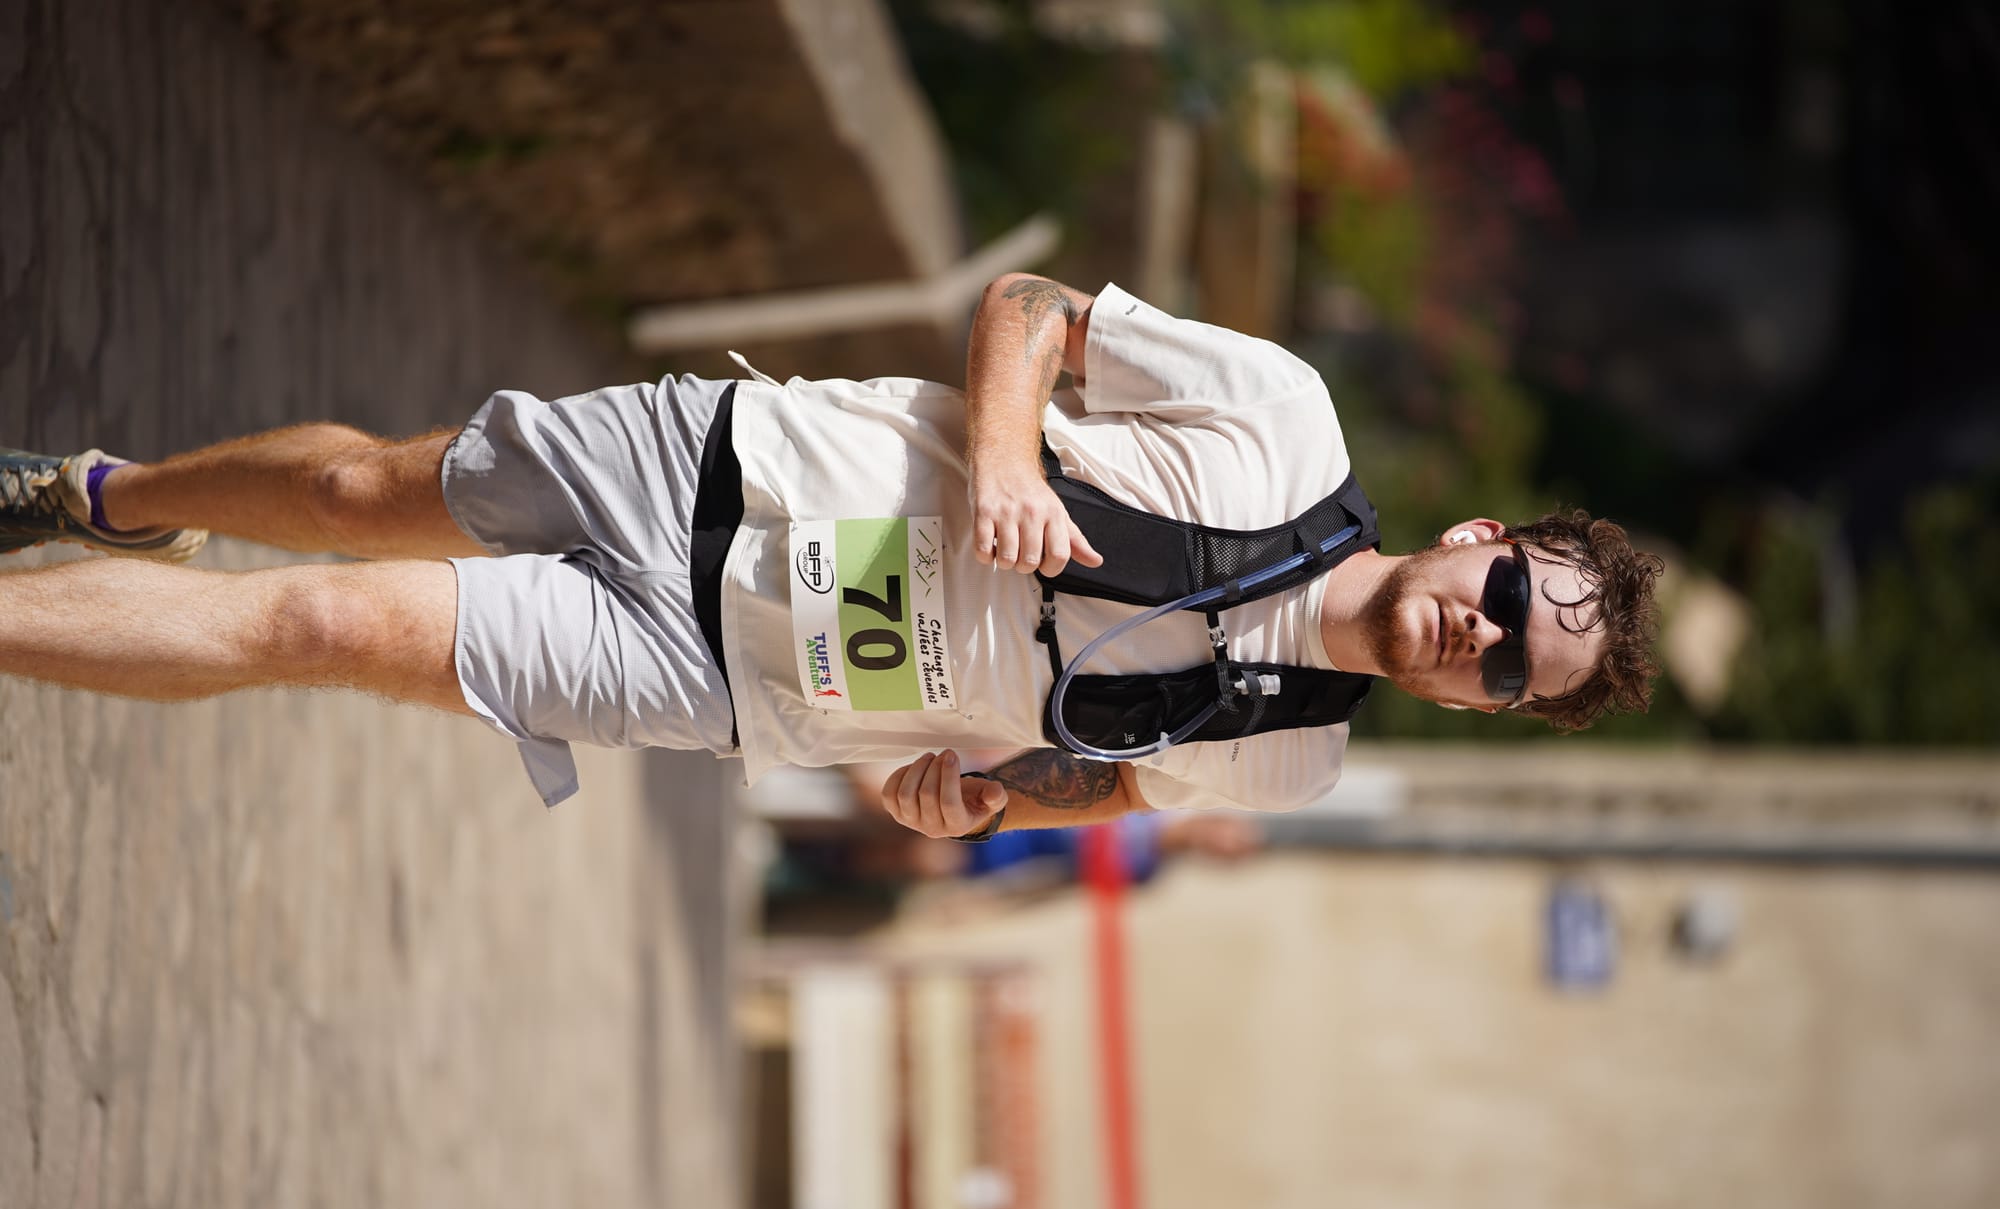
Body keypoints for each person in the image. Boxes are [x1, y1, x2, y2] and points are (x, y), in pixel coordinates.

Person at [0, 274, 1661, 837]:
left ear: (1492, 709)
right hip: (739, 465)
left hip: (738, 678)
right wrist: (1008, 457)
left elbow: (1082, 776)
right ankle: (110, 492)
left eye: (1517, 671)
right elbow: (1033, 312)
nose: (1486, 639)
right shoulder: (1289, 425)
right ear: (1484, 537)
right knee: (363, 492)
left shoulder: (1287, 765)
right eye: (1513, 602)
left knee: (315, 621)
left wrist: (956, 793)